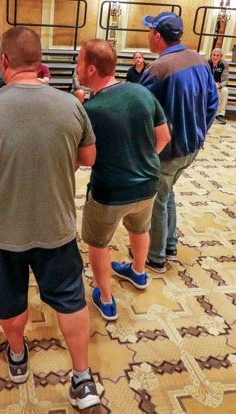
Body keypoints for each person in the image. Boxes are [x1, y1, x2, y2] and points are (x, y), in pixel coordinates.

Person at [0, 26, 100, 411]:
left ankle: (17, 355)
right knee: (71, 301)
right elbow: (88, 158)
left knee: (10, 299)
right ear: (40, 62)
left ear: (3, 60)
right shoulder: (72, 105)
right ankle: (83, 379)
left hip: (3, 229)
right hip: (57, 226)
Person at [76, 39, 170, 321]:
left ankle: (106, 299)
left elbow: (85, 159)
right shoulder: (142, 92)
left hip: (110, 192)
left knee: (98, 242)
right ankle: (138, 272)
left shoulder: (91, 110)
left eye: (79, 62)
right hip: (148, 185)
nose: (76, 68)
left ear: (91, 69)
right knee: (140, 229)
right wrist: (140, 161)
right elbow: (164, 137)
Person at [140, 12, 217, 272]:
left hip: (168, 151)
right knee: (168, 192)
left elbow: (141, 110)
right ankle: (170, 244)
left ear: (157, 36)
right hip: (191, 148)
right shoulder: (200, 59)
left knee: (157, 200)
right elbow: (212, 103)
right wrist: (199, 133)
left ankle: (155, 257)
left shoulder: (158, 68)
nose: (148, 35)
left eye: (150, 31)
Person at [208, 48, 229, 124]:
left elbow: (225, 79)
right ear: (211, 55)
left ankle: (219, 115)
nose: (215, 57)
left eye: (217, 55)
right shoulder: (206, 62)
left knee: (225, 90)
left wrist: (220, 85)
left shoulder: (224, 65)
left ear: (221, 57)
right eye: (214, 55)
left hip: (218, 85)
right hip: (207, 84)